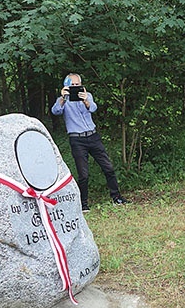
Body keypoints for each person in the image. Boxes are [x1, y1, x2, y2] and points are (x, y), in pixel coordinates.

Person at [51, 73, 129, 212]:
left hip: (93, 136)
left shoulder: (87, 95)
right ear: (66, 86)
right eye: (72, 85)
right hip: (77, 139)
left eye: (77, 84)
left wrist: (85, 100)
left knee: (108, 167)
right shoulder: (63, 100)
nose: (75, 87)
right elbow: (55, 111)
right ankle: (83, 204)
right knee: (83, 174)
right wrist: (63, 98)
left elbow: (93, 108)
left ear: (81, 84)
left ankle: (116, 197)